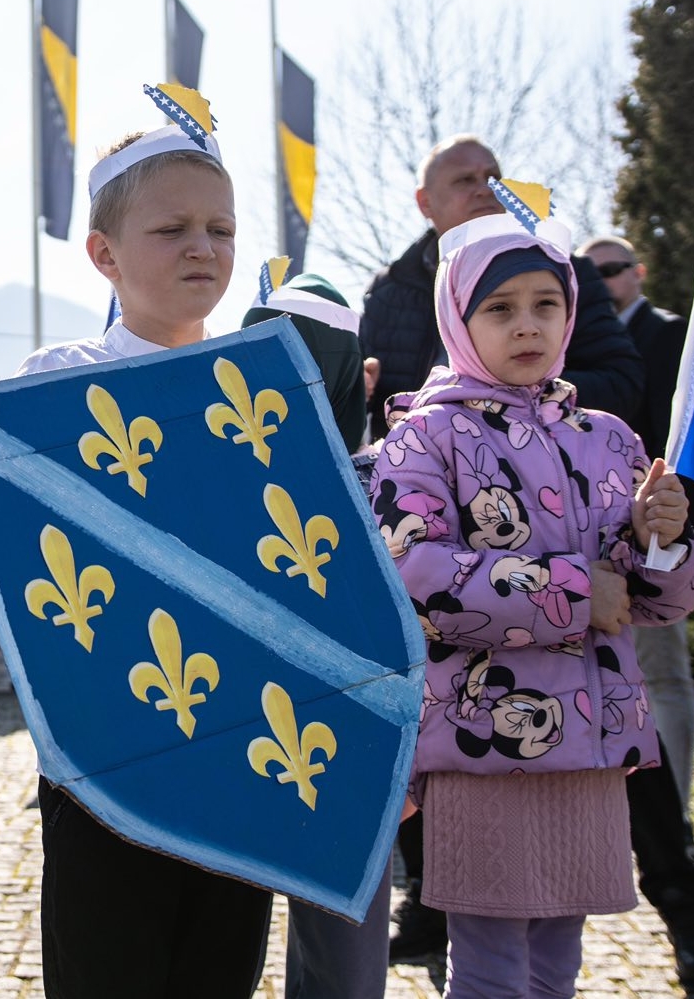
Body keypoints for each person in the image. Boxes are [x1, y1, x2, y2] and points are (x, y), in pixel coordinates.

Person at [0, 91, 277, 998]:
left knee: (217, 978)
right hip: (103, 754)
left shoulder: (262, 390)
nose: (204, 246)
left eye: (221, 228)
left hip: (242, 746)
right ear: (105, 254)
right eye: (173, 229)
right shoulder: (50, 386)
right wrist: (79, 490)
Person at [372, 220, 694, 997]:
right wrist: (583, 594)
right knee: (488, 967)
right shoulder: (425, 436)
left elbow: (657, 600)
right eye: (500, 308)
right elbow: (417, 577)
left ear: (570, 313)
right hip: (484, 747)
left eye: (546, 304)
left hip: (592, 748)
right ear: (458, 317)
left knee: (558, 964)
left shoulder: (610, 439)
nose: (528, 324)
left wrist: (666, 542)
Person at [242, 273, 391, 999]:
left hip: (347, 749)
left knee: (343, 969)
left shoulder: (384, 482)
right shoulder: (211, 473)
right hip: (233, 728)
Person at [360, 136, 643, 443]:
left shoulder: (564, 270)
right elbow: (368, 401)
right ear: (425, 201)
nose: (485, 189)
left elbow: (622, 382)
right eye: (465, 180)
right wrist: (357, 388)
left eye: (494, 178)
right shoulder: (387, 292)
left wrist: (519, 397)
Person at [576, 235, 694, 799]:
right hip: (592, 525)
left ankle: (673, 810)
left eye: (614, 268)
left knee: (664, 672)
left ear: (640, 272)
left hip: (656, 527)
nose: (603, 279)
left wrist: (666, 519)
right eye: (592, 271)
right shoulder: (572, 331)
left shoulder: (672, 332)